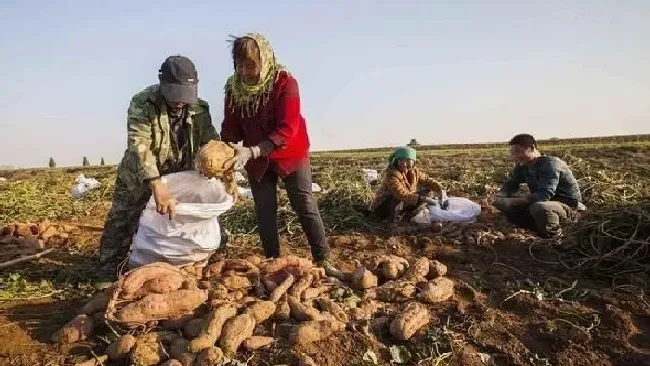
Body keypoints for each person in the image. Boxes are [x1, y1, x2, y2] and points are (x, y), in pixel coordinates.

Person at [220, 32, 342, 278]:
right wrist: (226, 150)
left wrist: (253, 149)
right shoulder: (234, 89)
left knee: (304, 203)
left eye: (251, 65)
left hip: (289, 153)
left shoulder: (284, 83)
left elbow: (288, 129)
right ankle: (272, 261)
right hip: (256, 161)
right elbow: (230, 127)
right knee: (264, 209)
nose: (245, 72)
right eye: (240, 65)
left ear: (264, 60)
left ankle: (323, 258)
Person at [95, 55, 219, 288]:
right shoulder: (143, 103)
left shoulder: (200, 108)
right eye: (175, 94)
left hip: (179, 176)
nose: (180, 101)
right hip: (141, 174)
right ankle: (108, 271)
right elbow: (139, 144)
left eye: (185, 94)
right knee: (123, 219)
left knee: (181, 222)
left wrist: (222, 168)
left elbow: (210, 141)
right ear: (163, 84)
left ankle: (178, 265)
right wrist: (156, 183)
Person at [494, 134, 585, 238]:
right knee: (506, 205)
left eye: (518, 152)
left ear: (532, 148)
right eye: (513, 153)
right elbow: (511, 183)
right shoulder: (523, 166)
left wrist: (513, 201)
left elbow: (544, 195)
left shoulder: (551, 164)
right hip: (547, 205)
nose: (515, 157)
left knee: (540, 207)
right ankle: (536, 230)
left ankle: (555, 237)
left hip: (568, 208)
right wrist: (501, 196)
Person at [371, 146, 448, 222]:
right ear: (397, 161)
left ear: (413, 162)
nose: (404, 164)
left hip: (402, 202)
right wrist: (422, 199)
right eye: (401, 160)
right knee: (397, 198)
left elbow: (428, 181)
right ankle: (392, 221)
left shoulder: (414, 172)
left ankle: (408, 214)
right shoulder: (392, 174)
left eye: (407, 160)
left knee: (428, 191)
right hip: (383, 209)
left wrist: (441, 190)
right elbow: (400, 193)